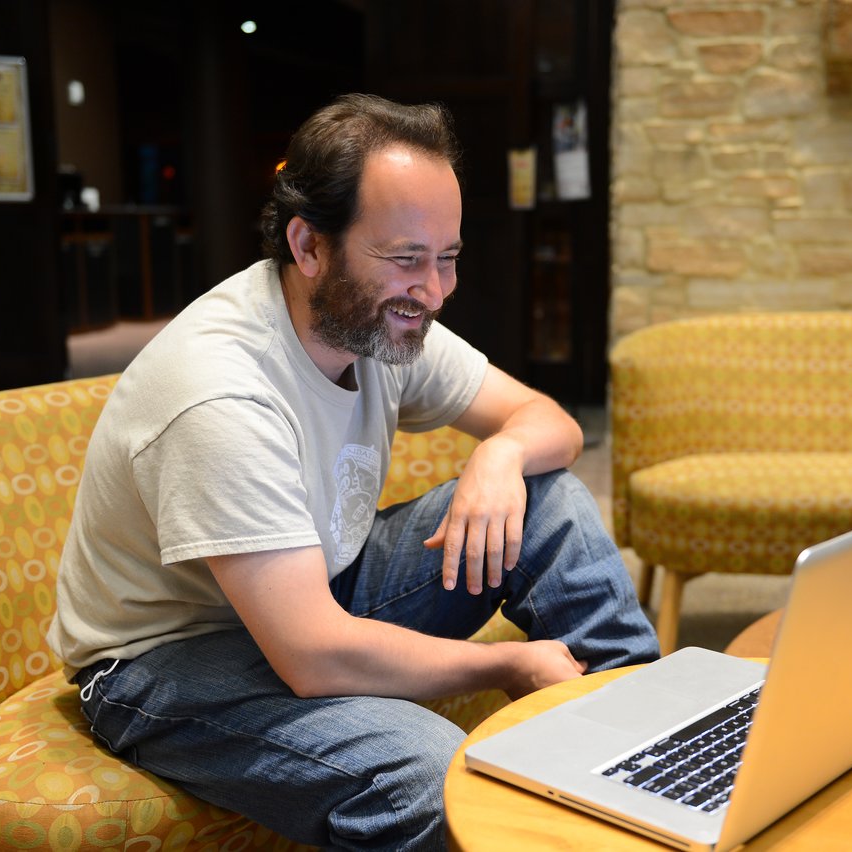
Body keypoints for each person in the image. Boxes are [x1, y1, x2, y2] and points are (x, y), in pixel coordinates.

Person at [47, 93, 659, 850]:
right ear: (309, 247)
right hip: (164, 660)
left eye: (449, 257)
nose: (434, 292)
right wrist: (509, 661)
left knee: (548, 499)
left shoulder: (378, 318)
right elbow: (312, 652)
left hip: (319, 589)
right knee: (432, 774)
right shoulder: (220, 389)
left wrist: (499, 454)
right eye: (406, 259)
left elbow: (551, 424)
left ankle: (651, 765)